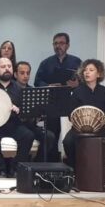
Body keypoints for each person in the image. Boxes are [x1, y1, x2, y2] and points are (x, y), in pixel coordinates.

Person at [0, 57, 35, 177]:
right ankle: (1, 170)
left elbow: (26, 113)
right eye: (3, 67)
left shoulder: (19, 88)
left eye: (9, 66)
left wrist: (19, 110)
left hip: (14, 124)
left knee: (28, 136)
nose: (7, 69)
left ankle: (15, 169)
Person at [33, 32, 82, 161]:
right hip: (52, 103)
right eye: (55, 43)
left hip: (70, 102)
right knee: (52, 135)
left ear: (68, 45)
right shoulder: (46, 63)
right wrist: (49, 85)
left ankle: (70, 164)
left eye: (61, 43)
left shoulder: (77, 62)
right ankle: (51, 165)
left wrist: (77, 83)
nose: (58, 46)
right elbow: (37, 82)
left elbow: (84, 82)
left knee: (69, 137)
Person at [62, 59, 105, 167]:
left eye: (91, 70)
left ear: (99, 74)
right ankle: (76, 169)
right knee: (67, 142)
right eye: (85, 70)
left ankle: (104, 170)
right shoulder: (77, 92)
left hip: (101, 127)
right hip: (80, 128)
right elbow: (71, 114)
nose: (87, 72)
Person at [15, 61, 57, 162]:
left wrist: (39, 115)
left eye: (28, 73)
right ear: (15, 74)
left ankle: (36, 163)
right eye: (22, 73)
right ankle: (18, 165)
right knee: (28, 135)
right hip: (16, 126)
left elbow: (40, 111)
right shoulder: (12, 89)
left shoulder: (33, 90)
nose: (26, 76)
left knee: (50, 136)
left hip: (31, 125)